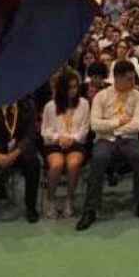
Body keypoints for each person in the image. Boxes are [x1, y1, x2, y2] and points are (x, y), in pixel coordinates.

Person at [77, 60, 139, 231]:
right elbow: (95, 125)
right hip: (104, 140)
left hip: (129, 139)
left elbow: (138, 125)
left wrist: (112, 127)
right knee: (98, 158)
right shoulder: (101, 96)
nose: (132, 83)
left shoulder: (137, 96)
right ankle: (90, 209)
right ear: (117, 78)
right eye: (128, 79)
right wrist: (118, 121)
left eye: (133, 78)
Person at [40, 70, 90, 219]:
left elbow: (85, 128)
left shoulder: (84, 103)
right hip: (54, 143)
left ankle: (69, 199)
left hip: (76, 143)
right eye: (69, 87)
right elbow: (45, 130)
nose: (73, 91)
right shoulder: (50, 106)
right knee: (57, 164)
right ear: (62, 88)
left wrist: (72, 139)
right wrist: (58, 138)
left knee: (73, 164)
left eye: (75, 87)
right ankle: (50, 199)